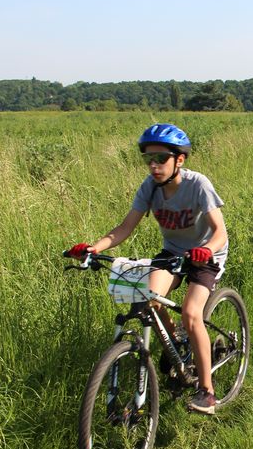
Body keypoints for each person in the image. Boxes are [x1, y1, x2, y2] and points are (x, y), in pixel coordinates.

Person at [66, 123, 228, 414]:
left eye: (161, 158)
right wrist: (94, 248)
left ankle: (207, 390)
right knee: (148, 297)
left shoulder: (198, 184)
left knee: (192, 314)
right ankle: (176, 343)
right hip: (173, 253)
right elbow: (125, 228)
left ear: (180, 159)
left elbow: (220, 233)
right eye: (148, 159)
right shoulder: (149, 188)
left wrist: (206, 250)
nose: (154, 166)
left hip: (206, 254)